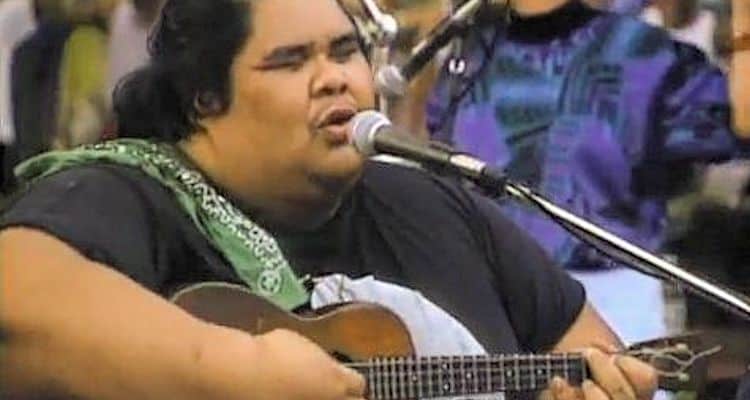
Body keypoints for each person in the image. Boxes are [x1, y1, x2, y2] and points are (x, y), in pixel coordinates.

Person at [1, 0, 656, 399]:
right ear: (206, 98)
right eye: (290, 62)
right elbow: (15, 297)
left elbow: (597, 351)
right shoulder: (130, 193)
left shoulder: (436, 202)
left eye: (346, 52)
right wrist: (233, 374)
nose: (335, 78)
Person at [427, 0, 738, 345]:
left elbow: (733, 127)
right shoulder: (469, 58)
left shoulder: (640, 52)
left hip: (612, 302)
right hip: (490, 305)